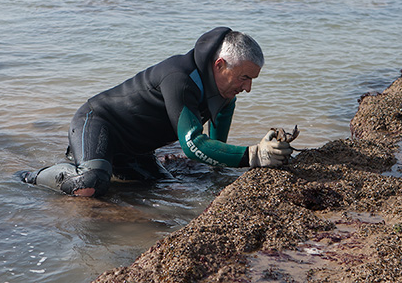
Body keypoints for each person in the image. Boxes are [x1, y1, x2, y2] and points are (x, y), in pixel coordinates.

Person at [19, 27, 292, 197]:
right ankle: (30, 176)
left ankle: (103, 163)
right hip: (96, 122)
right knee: (91, 186)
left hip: (135, 148)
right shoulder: (180, 79)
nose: (248, 88)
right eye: (244, 78)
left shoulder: (225, 94)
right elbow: (193, 145)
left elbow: (214, 153)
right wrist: (254, 155)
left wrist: (238, 164)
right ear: (220, 65)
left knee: (169, 189)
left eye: (252, 79)